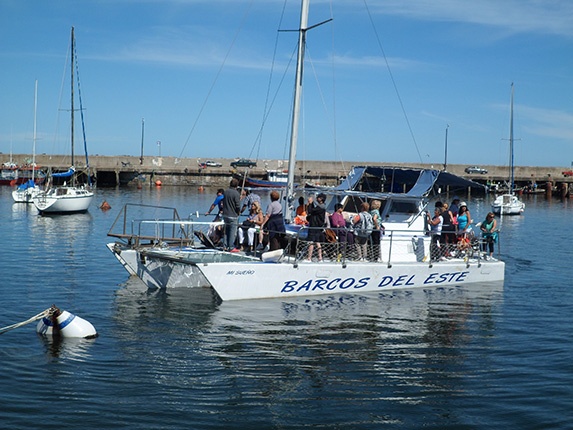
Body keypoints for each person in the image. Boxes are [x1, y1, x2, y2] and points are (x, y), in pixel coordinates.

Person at [222, 178, 241, 252]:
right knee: (232, 232)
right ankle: (231, 247)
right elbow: (237, 206)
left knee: (226, 232)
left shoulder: (226, 192)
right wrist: (238, 212)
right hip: (232, 215)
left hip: (225, 214)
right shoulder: (236, 193)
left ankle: (225, 246)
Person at [306, 193, 327, 261]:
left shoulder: (320, 207)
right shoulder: (322, 207)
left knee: (311, 242)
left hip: (314, 226)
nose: (317, 198)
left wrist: (310, 203)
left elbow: (310, 211)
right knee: (317, 242)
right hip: (318, 227)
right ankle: (320, 257)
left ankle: (309, 258)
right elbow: (313, 211)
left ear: (321, 199)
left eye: (318, 197)